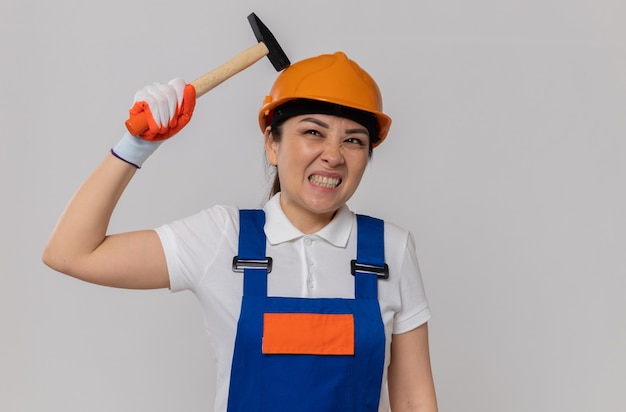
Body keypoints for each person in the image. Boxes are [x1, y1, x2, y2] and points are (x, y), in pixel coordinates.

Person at [42, 51, 438, 412]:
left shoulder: (391, 249)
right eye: (313, 132)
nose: (333, 155)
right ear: (272, 143)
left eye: (353, 140)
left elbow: (413, 400)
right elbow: (71, 253)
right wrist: (135, 146)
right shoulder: (221, 238)